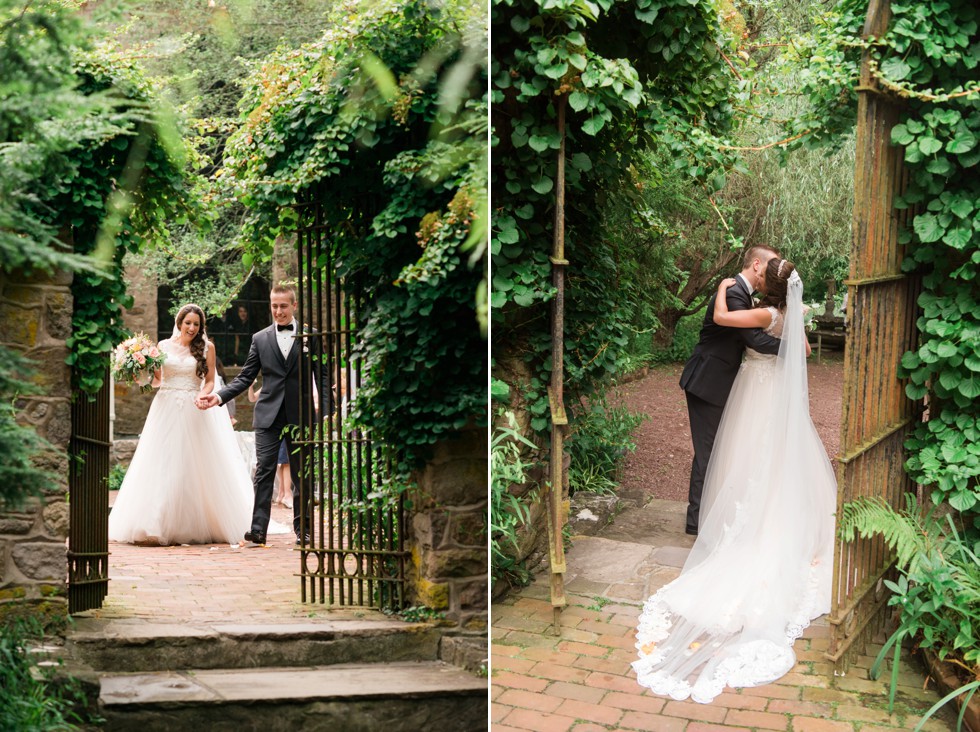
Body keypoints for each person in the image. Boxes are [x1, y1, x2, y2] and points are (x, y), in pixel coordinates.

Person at [633, 260, 837, 704]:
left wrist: (723, 287)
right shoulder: (791, 315)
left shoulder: (764, 313)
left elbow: (724, 318)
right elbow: (801, 352)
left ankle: (734, 526)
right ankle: (768, 521)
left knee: (740, 456)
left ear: (770, 284)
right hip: (769, 392)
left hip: (754, 390)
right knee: (769, 461)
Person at [108, 304, 253, 546]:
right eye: (188, 323)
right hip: (164, 407)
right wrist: (138, 375)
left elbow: (209, 381)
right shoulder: (162, 347)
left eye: (196, 324)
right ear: (179, 323)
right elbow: (156, 381)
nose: (192, 328)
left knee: (190, 462)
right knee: (162, 461)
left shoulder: (207, 348)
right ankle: (154, 522)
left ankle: (192, 522)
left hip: (192, 407)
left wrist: (203, 395)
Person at [197, 284, 325, 546]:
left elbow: (322, 377)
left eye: (283, 306)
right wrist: (219, 396)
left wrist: (325, 411)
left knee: (303, 475)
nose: (278, 311)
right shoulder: (260, 338)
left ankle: (304, 529)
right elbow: (245, 377)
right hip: (268, 415)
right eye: (274, 306)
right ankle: (258, 529)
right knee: (264, 470)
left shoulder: (311, 336)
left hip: (300, 416)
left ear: (294, 306)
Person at [679, 245, 781, 536]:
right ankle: (696, 522)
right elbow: (754, 340)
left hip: (719, 381)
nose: (773, 275)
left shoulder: (741, 293)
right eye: (771, 266)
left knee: (716, 450)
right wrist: (792, 348)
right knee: (708, 453)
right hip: (708, 381)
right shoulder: (735, 292)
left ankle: (705, 515)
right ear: (758, 265)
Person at [248, 384, 292, 509]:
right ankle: (284, 493)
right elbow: (252, 398)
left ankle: (284, 493)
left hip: (280, 422)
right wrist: (250, 386)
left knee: (284, 460)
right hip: (274, 424)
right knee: (283, 461)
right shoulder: (270, 384)